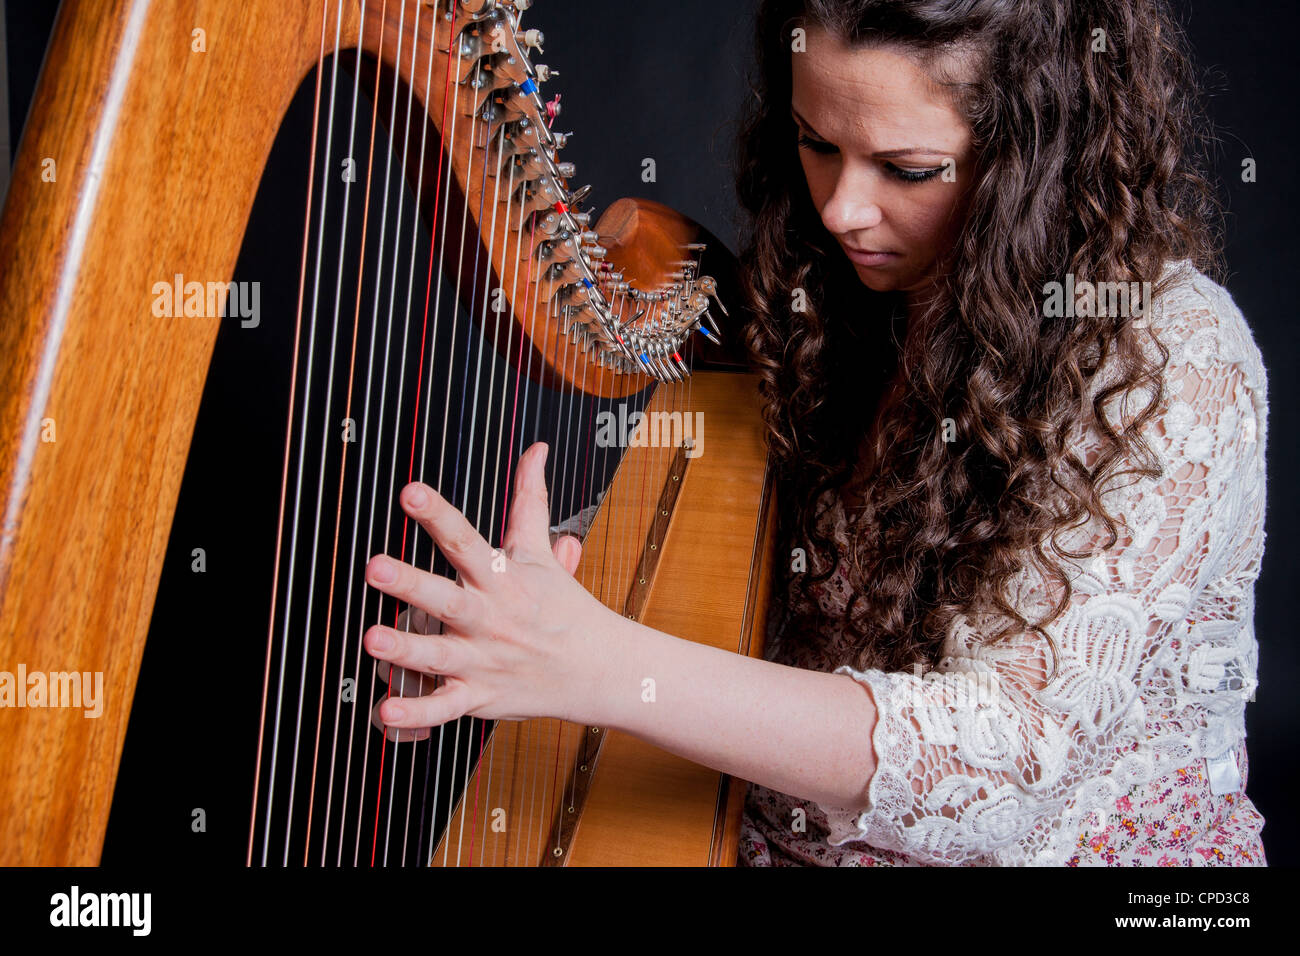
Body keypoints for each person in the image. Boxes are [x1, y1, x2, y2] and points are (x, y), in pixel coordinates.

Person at [361, 0, 1268, 866]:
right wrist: (515, 606)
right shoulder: (828, 294)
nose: (840, 209)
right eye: (817, 143)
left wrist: (597, 661)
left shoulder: (1167, 359)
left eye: (906, 169)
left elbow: (1008, 754)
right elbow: (773, 547)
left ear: (1035, 152)